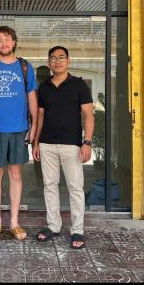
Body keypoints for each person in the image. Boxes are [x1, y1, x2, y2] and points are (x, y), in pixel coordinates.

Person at [0, 25, 38, 241]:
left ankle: (14, 222)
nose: (4, 43)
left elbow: (32, 99)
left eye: (7, 39)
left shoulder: (25, 67)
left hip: (20, 129)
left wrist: (33, 127)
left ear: (14, 42)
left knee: (16, 174)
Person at [32, 46, 94, 249]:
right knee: (50, 186)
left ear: (68, 60)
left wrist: (87, 142)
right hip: (47, 143)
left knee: (75, 188)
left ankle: (77, 230)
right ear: (49, 62)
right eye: (53, 58)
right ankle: (53, 225)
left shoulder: (79, 85)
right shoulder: (44, 87)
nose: (57, 61)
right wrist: (36, 142)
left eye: (61, 57)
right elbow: (40, 116)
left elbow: (88, 115)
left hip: (72, 145)